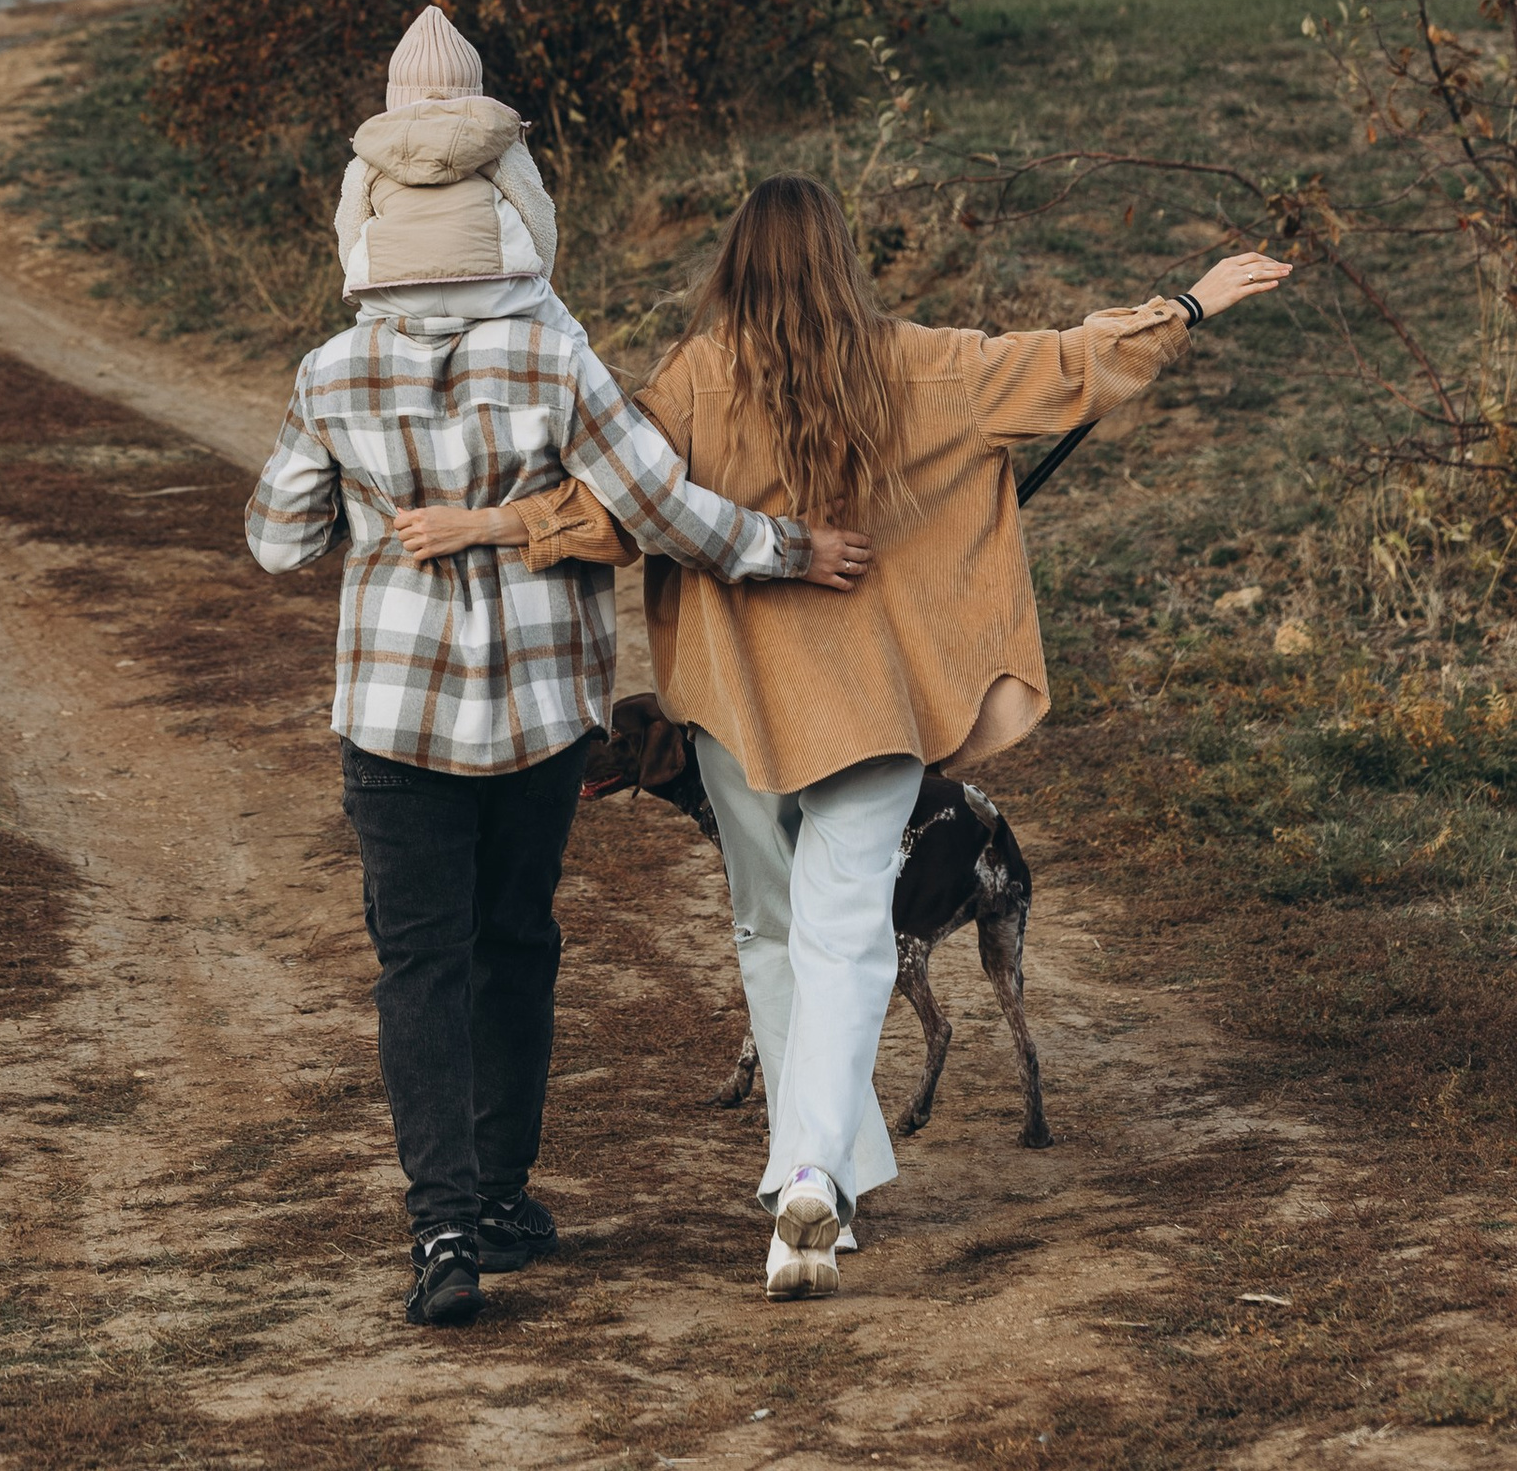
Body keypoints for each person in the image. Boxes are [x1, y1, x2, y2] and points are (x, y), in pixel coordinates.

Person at [515, 173, 1290, 1297]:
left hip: (733, 712)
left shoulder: (686, 385)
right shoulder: (922, 363)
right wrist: (1191, 301)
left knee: (772, 934)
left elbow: (605, 513)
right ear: (841, 258)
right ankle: (820, 1173)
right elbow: (1072, 364)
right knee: (846, 939)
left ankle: (810, 1169)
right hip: (871, 712)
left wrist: (492, 527)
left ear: (730, 263)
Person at [246, 13, 871, 1333]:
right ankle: (507, 1192)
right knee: (515, 941)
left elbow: (275, 537)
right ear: (501, 196)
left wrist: (354, 483)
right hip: (540, 711)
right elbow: (665, 507)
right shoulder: (552, 350)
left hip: (392, 713)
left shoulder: (332, 367)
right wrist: (788, 548)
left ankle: (442, 1221)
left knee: (416, 959)